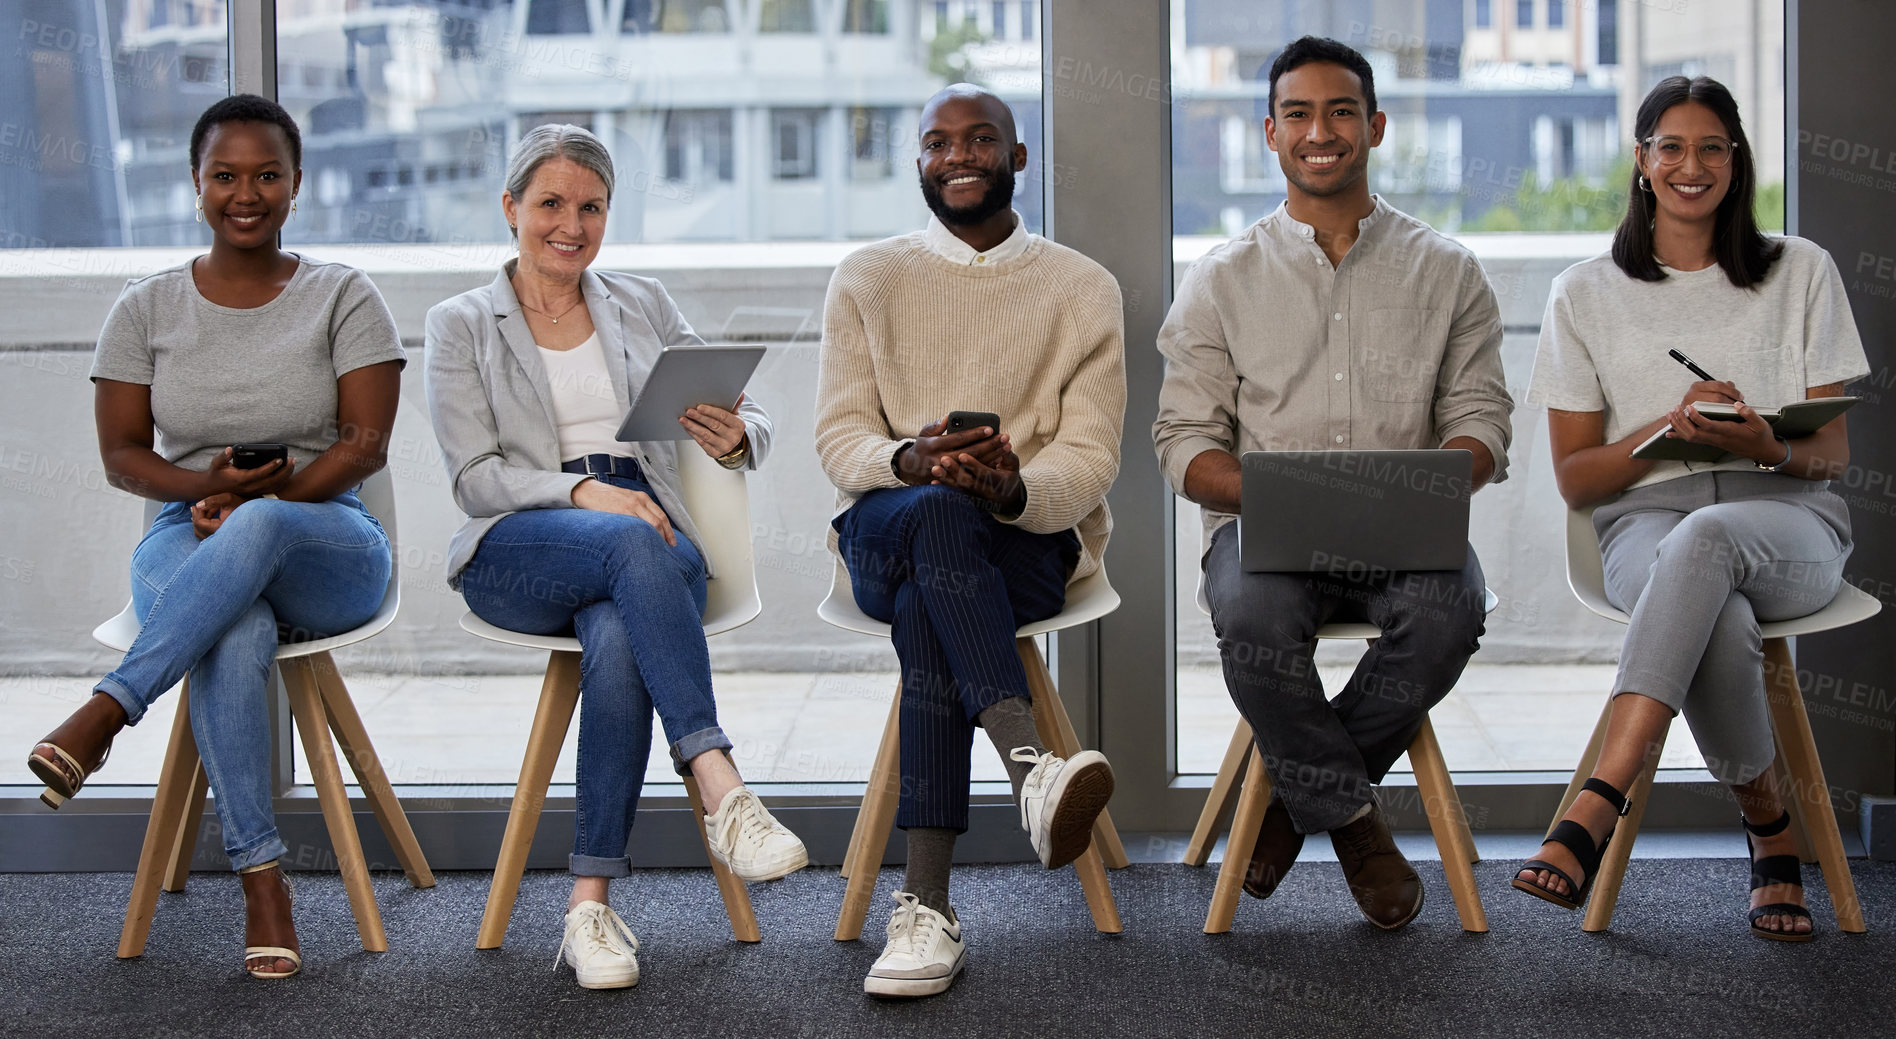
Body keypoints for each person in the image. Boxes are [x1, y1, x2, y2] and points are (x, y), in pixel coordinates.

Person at [25, 95, 406, 979]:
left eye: (266, 174)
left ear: (296, 184)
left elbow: (364, 444)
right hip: (182, 532)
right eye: (225, 175)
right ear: (196, 184)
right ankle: (263, 881)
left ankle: (107, 709)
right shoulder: (146, 306)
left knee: (266, 525)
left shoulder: (343, 294)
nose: (247, 193)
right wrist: (203, 491)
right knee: (234, 625)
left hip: (328, 538)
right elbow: (123, 455)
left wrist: (250, 509)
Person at [424, 124, 806, 990]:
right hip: (520, 546)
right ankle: (721, 782)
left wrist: (742, 436)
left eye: (590, 206)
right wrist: (583, 494)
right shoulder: (459, 324)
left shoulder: (641, 301)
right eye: (550, 203)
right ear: (511, 207)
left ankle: (587, 906)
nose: (571, 223)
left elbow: (751, 409)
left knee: (618, 631)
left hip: (648, 542)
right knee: (629, 542)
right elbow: (475, 480)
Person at [1152, 36, 1513, 931]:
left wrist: (1419, 482)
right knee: (1250, 615)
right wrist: (1277, 497)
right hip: (1264, 530)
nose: (1322, 131)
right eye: (1300, 115)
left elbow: (1483, 425)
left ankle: (1288, 798)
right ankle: (1354, 824)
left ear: (1375, 126)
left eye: (1341, 111)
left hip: (1405, 531)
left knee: (1447, 613)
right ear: (1269, 133)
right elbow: (1182, 445)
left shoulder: (1448, 270)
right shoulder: (1220, 279)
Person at [1518, 76, 1868, 941]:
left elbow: (1831, 457)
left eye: (1712, 146)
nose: (1691, 165)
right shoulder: (1583, 292)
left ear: (1736, 160)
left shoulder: (1801, 270)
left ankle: (1599, 795)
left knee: (1707, 538)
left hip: (1787, 515)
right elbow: (1576, 480)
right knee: (1709, 594)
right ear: (1641, 163)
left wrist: (1761, 446)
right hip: (1643, 523)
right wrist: (1663, 432)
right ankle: (1769, 828)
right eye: (1669, 147)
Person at [815, 84, 1126, 997]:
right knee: (937, 516)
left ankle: (924, 908)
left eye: (979, 139)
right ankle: (1029, 765)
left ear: (1015, 158)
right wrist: (912, 459)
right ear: (918, 163)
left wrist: (1013, 485)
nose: (957, 155)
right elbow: (838, 439)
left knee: (933, 594)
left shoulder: (1081, 287)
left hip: (1024, 540)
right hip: (885, 526)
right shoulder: (868, 277)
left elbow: (1091, 456)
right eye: (936, 143)